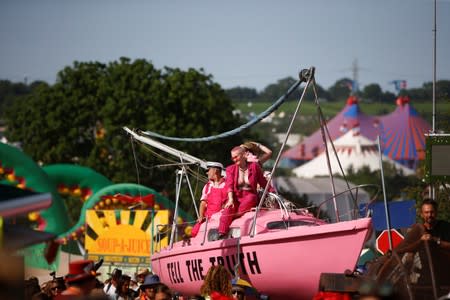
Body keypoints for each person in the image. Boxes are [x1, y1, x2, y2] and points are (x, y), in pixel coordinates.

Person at [218, 146, 273, 238]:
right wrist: (230, 199)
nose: (234, 159)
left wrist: (273, 192)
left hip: (249, 195)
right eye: (233, 158)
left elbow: (263, 182)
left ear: (244, 155)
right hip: (235, 196)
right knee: (227, 209)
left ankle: (233, 217)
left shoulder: (254, 166)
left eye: (236, 157)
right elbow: (229, 185)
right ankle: (221, 234)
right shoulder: (230, 169)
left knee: (251, 198)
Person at [191, 161, 227, 238]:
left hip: (221, 216)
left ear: (216, 171)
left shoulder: (227, 184)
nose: (207, 173)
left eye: (208, 170)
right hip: (208, 217)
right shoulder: (207, 186)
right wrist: (200, 216)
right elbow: (203, 203)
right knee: (194, 232)